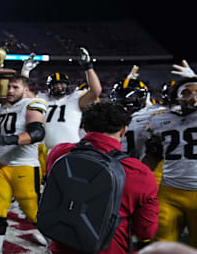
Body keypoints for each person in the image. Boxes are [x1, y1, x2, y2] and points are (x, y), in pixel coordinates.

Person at [46, 101, 159, 253]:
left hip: (60, 245)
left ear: (85, 128)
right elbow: (145, 231)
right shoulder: (139, 172)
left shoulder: (59, 152)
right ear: (123, 130)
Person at [0, 75, 48, 254]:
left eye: (15, 87)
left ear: (25, 90)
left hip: (25, 166)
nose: (10, 91)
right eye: (8, 87)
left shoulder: (32, 104)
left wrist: (7, 139)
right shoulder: (3, 108)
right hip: (1, 165)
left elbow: (37, 133)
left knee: (33, 212)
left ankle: (57, 245)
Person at [21, 48, 102, 174]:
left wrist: (88, 66)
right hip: (44, 151)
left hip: (70, 150)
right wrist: (25, 71)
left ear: (67, 85)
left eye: (62, 84)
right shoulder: (42, 99)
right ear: (49, 87)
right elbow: (23, 94)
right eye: (55, 84)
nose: (59, 87)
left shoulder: (74, 99)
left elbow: (96, 91)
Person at [143, 77, 197, 247]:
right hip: (169, 193)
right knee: (161, 245)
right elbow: (153, 155)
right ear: (177, 97)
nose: (193, 97)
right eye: (186, 93)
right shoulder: (160, 119)